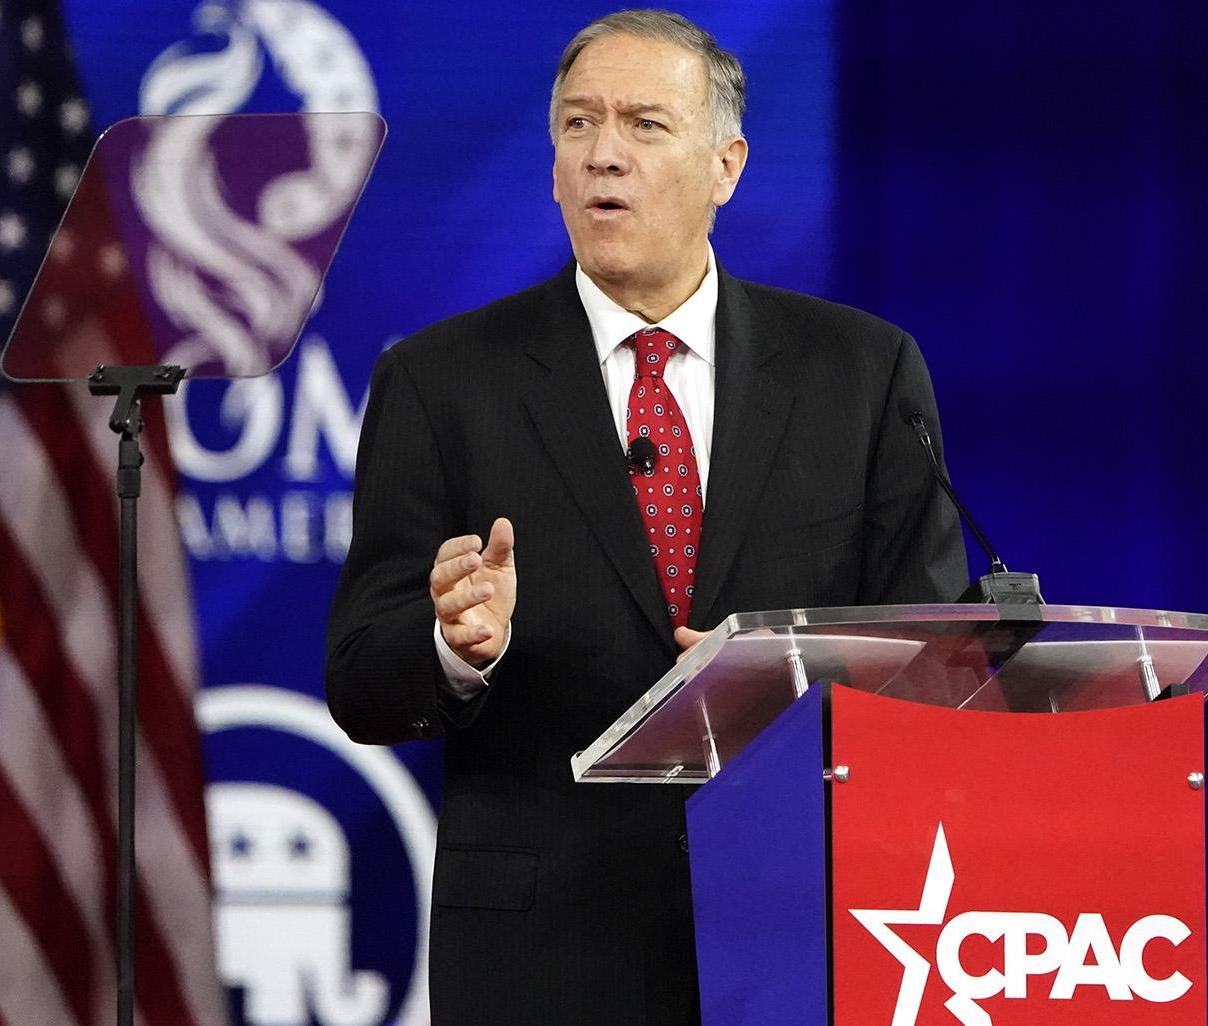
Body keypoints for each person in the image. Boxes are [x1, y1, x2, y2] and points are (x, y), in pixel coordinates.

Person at [326, 10, 966, 1024]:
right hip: (541, 955)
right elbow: (362, 678)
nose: (603, 156)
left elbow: (932, 661)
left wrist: (786, 684)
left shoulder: (862, 372)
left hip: (803, 929)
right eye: (578, 126)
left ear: (727, 163)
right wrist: (454, 648)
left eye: (643, 125)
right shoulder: (441, 382)